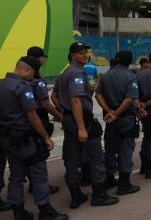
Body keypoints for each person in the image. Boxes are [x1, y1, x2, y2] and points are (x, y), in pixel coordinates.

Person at [0, 56, 68, 220]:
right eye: (34, 73)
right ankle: (45, 210)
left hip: (7, 139)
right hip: (26, 140)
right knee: (39, 174)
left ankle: (18, 211)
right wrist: (46, 138)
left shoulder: (1, 84)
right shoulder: (23, 88)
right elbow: (33, 117)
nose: (34, 77)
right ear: (27, 69)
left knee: (16, 175)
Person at [57, 42, 119, 209]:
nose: (85, 55)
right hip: (81, 120)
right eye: (80, 53)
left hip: (71, 119)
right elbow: (76, 100)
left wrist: (64, 112)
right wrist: (82, 127)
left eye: (86, 52)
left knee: (72, 158)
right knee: (96, 157)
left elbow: (55, 96)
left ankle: (76, 195)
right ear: (73, 55)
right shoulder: (76, 73)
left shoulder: (65, 73)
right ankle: (99, 194)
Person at [95, 50, 141, 196]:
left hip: (109, 119)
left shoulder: (106, 75)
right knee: (126, 150)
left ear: (117, 59)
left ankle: (109, 178)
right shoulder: (130, 77)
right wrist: (117, 113)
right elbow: (129, 99)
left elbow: (98, 95)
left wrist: (109, 111)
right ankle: (124, 184)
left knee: (110, 148)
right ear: (131, 61)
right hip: (124, 118)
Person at [27, 46, 62, 195]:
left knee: (29, 154)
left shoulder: (22, 74)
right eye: (42, 57)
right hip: (38, 119)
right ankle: (40, 186)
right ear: (38, 58)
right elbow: (44, 103)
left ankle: (33, 183)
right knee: (39, 153)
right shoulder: (36, 77)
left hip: (25, 121)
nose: (43, 60)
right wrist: (59, 115)